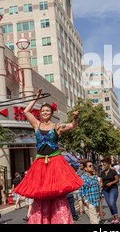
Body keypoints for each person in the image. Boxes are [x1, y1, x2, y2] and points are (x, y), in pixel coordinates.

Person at [14, 87, 84, 224]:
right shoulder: (36, 124)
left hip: (56, 162)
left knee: (57, 193)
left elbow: (72, 125)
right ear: (40, 113)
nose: (45, 112)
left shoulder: (57, 126)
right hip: (40, 163)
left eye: (47, 111)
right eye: (43, 111)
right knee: (41, 194)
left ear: (51, 113)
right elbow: (26, 111)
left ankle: (60, 219)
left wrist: (75, 118)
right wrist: (36, 98)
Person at [100, 157, 120, 224]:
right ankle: (113, 217)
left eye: (105, 165)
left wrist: (111, 183)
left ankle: (117, 218)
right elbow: (101, 182)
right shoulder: (102, 173)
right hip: (105, 190)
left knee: (112, 203)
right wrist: (101, 188)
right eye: (103, 165)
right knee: (109, 204)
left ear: (108, 164)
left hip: (113, 189)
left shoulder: (113, 171)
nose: (103, 166)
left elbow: (117, 180)